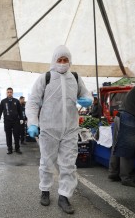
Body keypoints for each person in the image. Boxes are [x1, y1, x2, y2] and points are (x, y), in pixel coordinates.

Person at [25, 45, 92, 214]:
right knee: (46, 162)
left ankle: (64, 196)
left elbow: (86, 94)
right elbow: (33, 102)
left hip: (70, 128)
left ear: (70, 61)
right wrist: (32, 122)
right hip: (49, 128)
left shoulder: (75, 78)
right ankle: (45, 191)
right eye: (59, 60)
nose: (62, 63)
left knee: (68, 164)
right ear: (54, 60)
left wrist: (87, 100)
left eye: (65, 60)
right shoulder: (45, 78)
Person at [0, 87, 24, 154]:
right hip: (7, 121)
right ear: (6, 93)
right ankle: (9, 149)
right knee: (8, 135)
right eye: (8, 92)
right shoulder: (3, 101)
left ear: (12, 93)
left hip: (15, 121)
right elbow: (0, 111)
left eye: (10, 92)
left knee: (16, 135)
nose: (9, 93)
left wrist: (21, 118)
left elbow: (20, 111)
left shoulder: (16, 101)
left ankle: (17, 148)